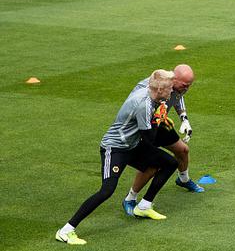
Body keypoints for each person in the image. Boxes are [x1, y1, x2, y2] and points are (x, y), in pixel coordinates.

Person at [56, 70, 179, 245]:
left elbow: (154, 76)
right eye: (169, 89)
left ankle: (144, 206)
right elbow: (150, 139)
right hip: (115, 148)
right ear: (159, 89)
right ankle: (66, 230)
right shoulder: (143, 105)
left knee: (170, 163)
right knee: (107, 190)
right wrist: (158, 119)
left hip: (132, 144)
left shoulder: (147, 86)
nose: (171, 92)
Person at [122, 65, 201, 216]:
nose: (186, 88)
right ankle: (130, 198)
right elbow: (137, 107)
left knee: (183, 150)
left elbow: (178, 97)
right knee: (151, 165)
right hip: (143, 128)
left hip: (159, 123)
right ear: (174, 79)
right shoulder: (149, 86)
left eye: (189, 85)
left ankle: (183, 180)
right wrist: (156, 116)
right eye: (185, 85)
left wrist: (184, 118)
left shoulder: (175, 88)